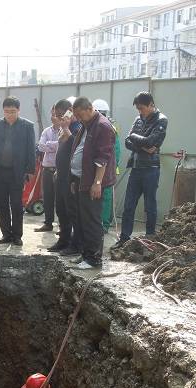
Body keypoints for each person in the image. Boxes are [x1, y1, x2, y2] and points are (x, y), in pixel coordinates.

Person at [112, 92, 168, 249]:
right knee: (129, 205)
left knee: (150, 205)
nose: (139, 112)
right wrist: (144, 145)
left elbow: (152, 141)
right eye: (138, 109)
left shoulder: (161, 119)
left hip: (151, 168)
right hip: (136, 168)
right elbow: (128, 141)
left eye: (142, 108)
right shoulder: (138, 119)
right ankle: (124, 239)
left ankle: (150, 237)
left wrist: (140, 142)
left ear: (151, 104)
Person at [69, 97, 116, 269]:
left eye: (80, 115)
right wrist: (74, 177)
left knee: (92, 221)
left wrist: (97, 182)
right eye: (77, 116)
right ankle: (85, 255)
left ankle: (94, 259)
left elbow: (103, 158)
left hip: (93, 182)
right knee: (82, 219)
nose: (79, 119)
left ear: (89, 108)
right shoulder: (86, 125)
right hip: (81, 179)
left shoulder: (102, 126)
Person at [0, 96, 36, 246]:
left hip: (17, 172)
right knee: (1, 205)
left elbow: (31, 149)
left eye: (13, 111)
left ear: (18, 110)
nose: (10, 114)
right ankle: (6, 234)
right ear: (3, 111)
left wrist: (29, 170)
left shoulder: (27, 126)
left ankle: (17, 235)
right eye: (7, 111)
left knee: (16, 204)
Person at [47, 99, 82, 254]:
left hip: (71, 176)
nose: (60, 118)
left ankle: (76, 245)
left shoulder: (78, 127)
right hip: (61, 174)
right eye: (57, 115)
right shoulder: (64, 127)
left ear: (70, 110)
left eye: (62, 114)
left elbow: (77, 147)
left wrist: (66, 128)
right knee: (60, 209)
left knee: (71, 211)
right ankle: (63, 241)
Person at [92, 99, 122, 233]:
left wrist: (110, 168)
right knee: (99, 198)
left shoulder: (108, 128)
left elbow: (116, 151)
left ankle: (103, 225)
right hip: (100, 169)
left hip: (107, 171)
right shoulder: (96, 127)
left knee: (106, 198)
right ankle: (98, 223)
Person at [34, 107, 60, 232]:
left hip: (59, 170)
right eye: (52, 114)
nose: (53, 117)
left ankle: (62, 226)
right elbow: (40, 146)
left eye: (56, 114)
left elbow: (62, 145)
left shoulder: (65, 131)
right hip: (47, 169)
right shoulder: (46, 131)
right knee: (47, 198)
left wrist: (50, 144)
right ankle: (48, 223)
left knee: (60, 200)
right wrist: (55, 145)